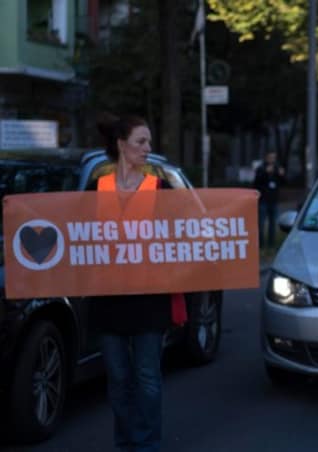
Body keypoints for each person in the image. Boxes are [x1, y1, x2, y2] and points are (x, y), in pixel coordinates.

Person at [90, 114, 179, 452]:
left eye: (149, 142)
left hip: (149, 299)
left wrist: (238, 208)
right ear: (121, 145)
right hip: (109, 298)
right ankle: (125, 442)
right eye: (142, 142)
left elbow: (186, 228)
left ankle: (147, 444)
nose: (148, 149)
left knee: (147, 379)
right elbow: (72, 234)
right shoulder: (96, 188)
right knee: (118, 379)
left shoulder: (160, 187)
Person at [253, 151, 285, 249]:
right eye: (270, 157)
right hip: (263, 200)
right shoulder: (261, 168)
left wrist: (281, 175)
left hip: (273, 200)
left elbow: (283, 182)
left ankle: (271, 244)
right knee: (261, 224)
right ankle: (261, 244)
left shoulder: (277, 168)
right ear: (266, 158)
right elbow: (256, 183)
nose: (272, 160)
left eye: (274, 158)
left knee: (272, 223)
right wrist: (265, 173)